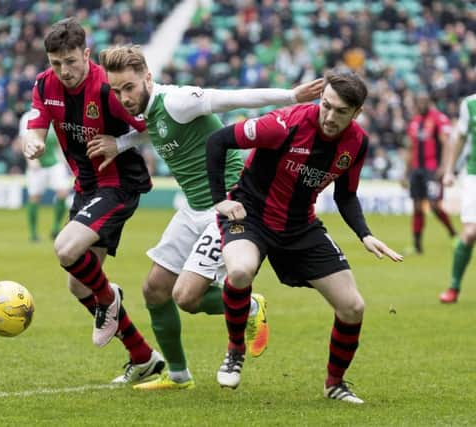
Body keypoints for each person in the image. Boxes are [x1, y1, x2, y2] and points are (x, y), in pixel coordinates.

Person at [87, 44, 323, 390]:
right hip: (193, 208)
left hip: (226, 203)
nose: (123, 97)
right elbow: (157, 130)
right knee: (154, 290)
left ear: (148, 78)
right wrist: (121, 145)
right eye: (117, 89)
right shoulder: (152, 110)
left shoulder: (179, 100)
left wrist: (290, 95)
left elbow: (231, 99)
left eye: (130, 87)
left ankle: (251, 306)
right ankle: (178, 376)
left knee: (187, 299)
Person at [206, 71, 403, 403]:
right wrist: (219, 199)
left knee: (353, 306)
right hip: (250, 215)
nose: (329, 116)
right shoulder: (285, 124)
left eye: (340, 111)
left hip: (300, 226)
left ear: (356, 113)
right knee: (239, 271)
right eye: (325, 105)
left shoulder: (357, 143)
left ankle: (335, 384)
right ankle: (235, 349)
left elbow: (346, 196)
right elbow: (218, 141)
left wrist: (365, 235)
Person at [22, 18, 164, 383]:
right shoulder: (44, 84)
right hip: (86, 186)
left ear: (86, 53)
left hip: (119, 184)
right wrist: (33, 141)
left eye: (71, 61)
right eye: (56, 63)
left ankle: (110, 299)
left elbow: (156, 126)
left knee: (66, 250)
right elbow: (37, 123)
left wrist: (121, 143)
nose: (64, 71)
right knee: (79, 284)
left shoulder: (107, 88)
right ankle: (143, 357)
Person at [402, 92, 456, 254]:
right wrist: (405, 173)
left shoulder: (439, 119)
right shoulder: (414, 122)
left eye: (425, 101)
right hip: (417, 170)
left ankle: (454, 235)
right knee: (417, 206)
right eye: (419, 101)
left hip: (432, 170)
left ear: (430, 102)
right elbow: (410, 148)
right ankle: (417, 246)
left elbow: (446, 144)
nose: (422, 104)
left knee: (434, 205)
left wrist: (444, 167)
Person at [438, 93, 476, 303]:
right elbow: (459, 137)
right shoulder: (470, 104)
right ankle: (454, 287)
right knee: (470, 233)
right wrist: (450, 170)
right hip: (474, 174)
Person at [19, 111, 70, 242]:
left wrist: (64, 159)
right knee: (35, 197)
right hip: (37, 164)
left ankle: (56, 228)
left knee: (63, 192)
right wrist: (30, 160)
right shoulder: (28, 117)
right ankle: (33, 233)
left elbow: (59, 140)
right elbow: (24, 140)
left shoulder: (55, 116)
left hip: (54, 163)